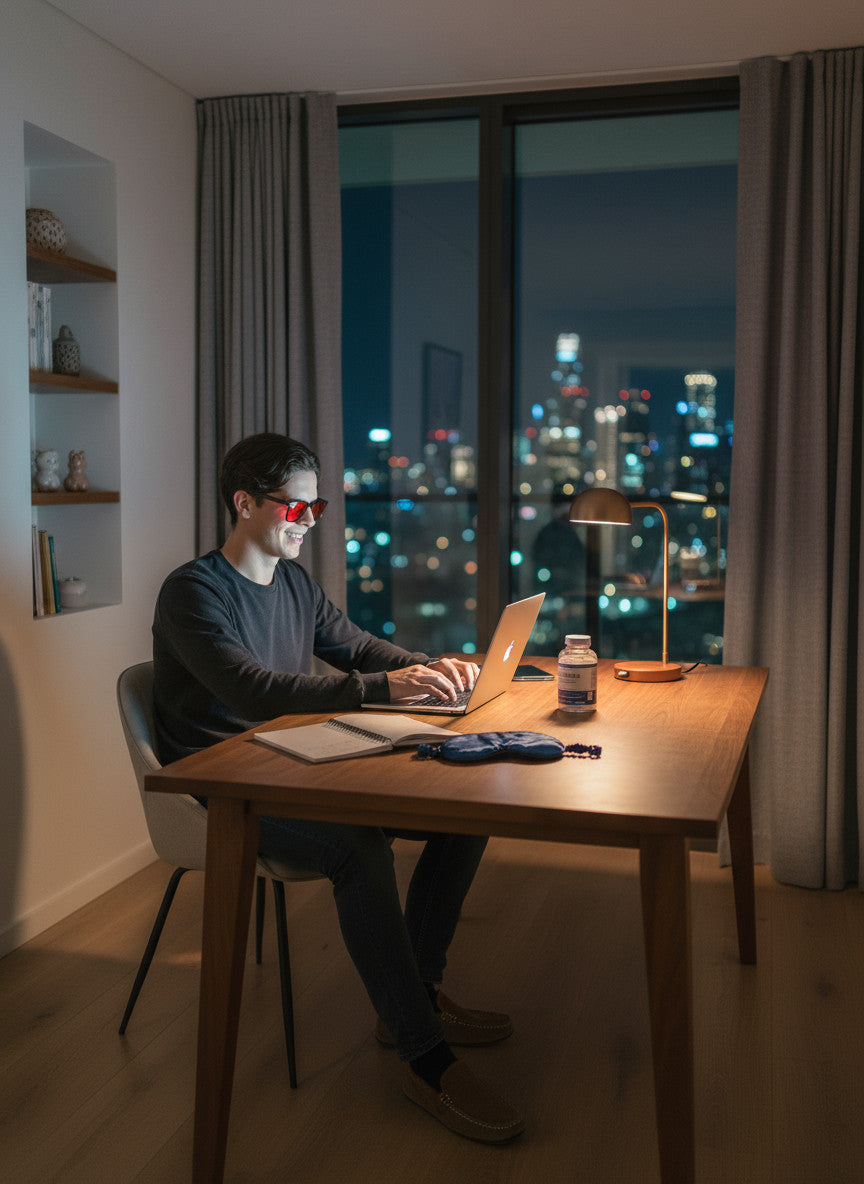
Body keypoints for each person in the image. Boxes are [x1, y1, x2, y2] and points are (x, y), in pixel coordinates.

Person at [152, 432, 524, 1143]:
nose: (311, 521)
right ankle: (424, 1057)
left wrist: (434, 668)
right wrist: (388, 686)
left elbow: (354, 646)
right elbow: (252, 691)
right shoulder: (192, 592)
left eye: (316, 505)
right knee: (359, 845)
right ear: (245, 504)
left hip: (293, 760)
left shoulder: (292, 583)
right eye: (296, 508)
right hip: (225, 786)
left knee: (465, 804)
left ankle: (411, 999)